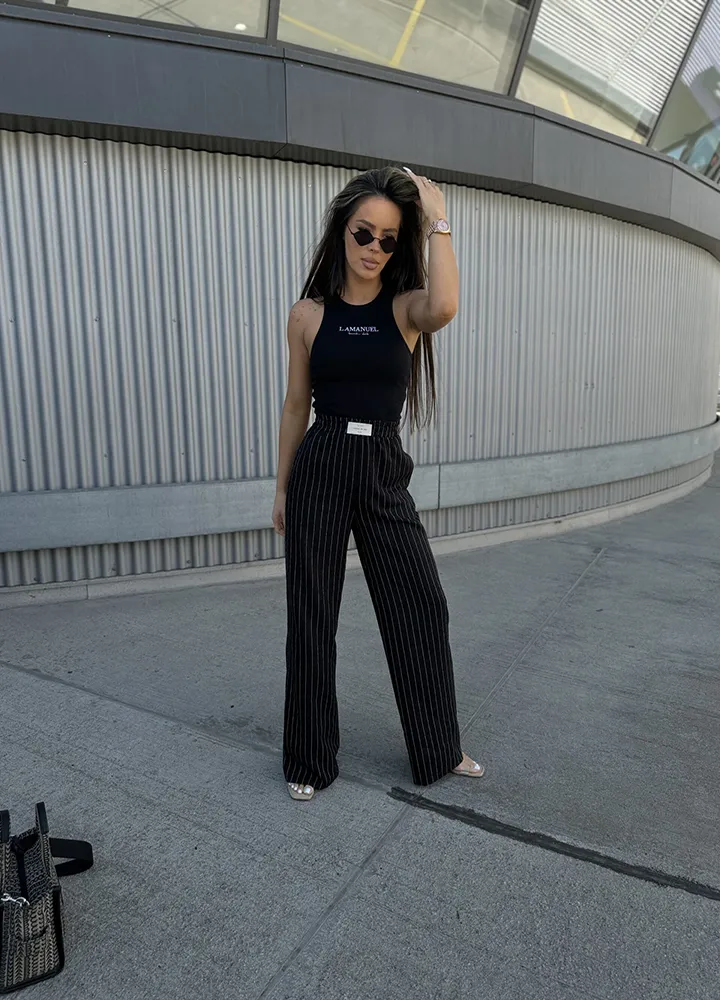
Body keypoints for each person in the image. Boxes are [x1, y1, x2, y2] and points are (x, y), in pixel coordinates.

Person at [272, 165, 485, 801]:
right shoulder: (307, 316)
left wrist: (437, 220)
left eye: (390, 239)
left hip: (383, 466)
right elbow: (295, 406)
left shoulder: (405, 309)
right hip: (321, 464)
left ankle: (438, 747)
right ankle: (309, 760)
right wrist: (282, 488)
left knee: (421, 604)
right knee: (312, 615)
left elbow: (445, 305)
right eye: (364, 233)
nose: (374, 248)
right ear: (343, 229)